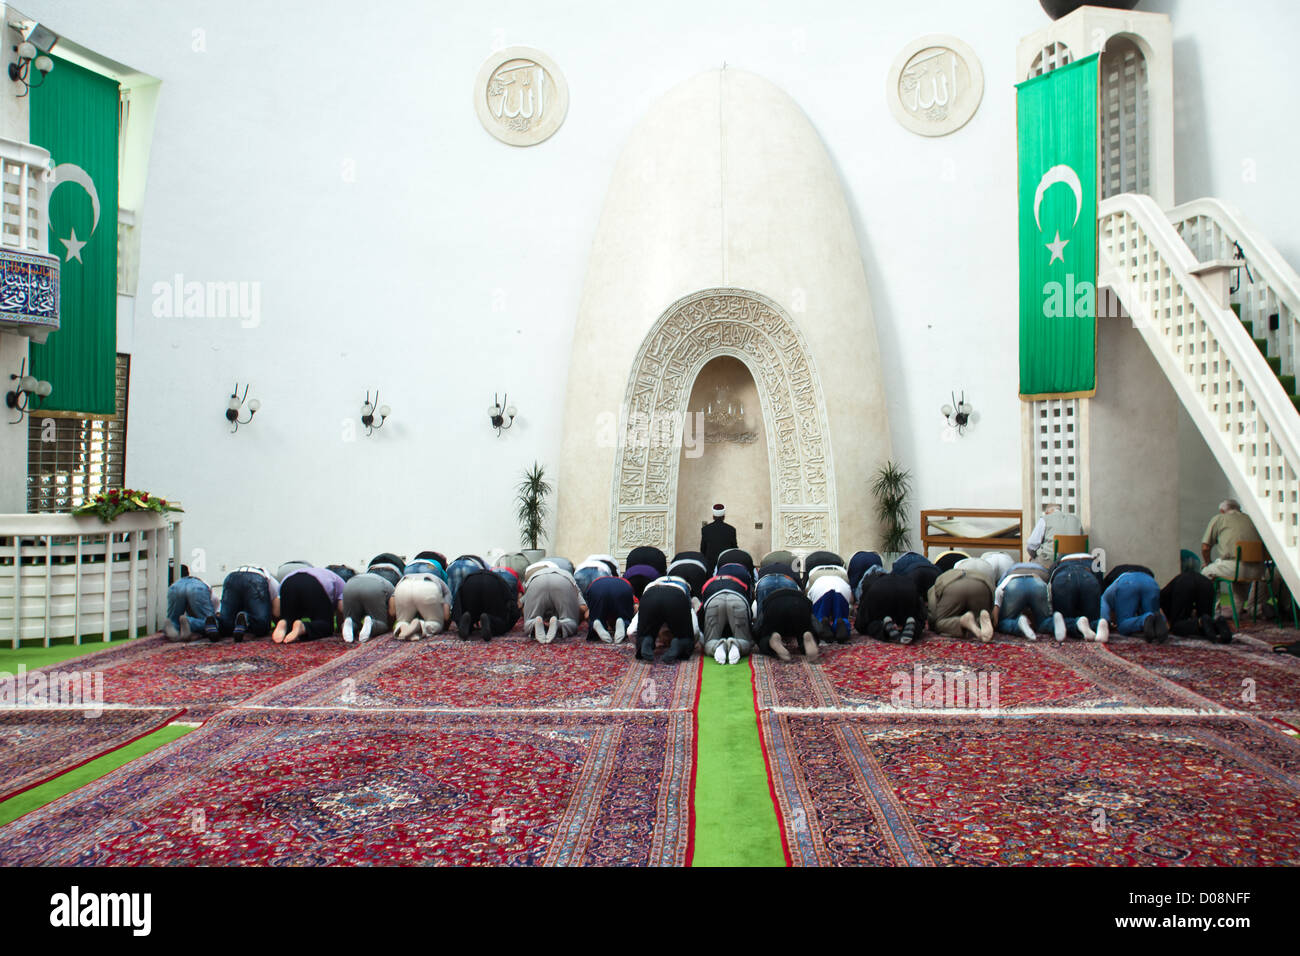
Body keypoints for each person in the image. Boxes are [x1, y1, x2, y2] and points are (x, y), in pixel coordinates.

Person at [1200, 499, 1267, 617]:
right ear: (1239, 510)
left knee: (1206, 572)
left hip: (1236, 567)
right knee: (1237, 577)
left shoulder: (1219, 518)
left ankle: (1214, 613)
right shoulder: (1251, 519)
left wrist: (1208, 563)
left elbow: (1205, 547)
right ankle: (1236, 610)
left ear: (1222, 511)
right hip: (1260, 570)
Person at [629, 574, 699, 664]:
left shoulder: (651, 586)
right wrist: (691, 640)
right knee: (684, 635)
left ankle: (646, 640)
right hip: (676, 596)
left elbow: (631, 632)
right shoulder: (686, 588)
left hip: (650, 597)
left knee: (645, 632)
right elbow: (695, 629)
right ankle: (680, 643)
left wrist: (640, 638)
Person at [753, 575, 818, 662]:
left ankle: (771, 640)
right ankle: (806, 636)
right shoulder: (792, 580)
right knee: (805, 629)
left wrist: (759, 636)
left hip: (773, 605)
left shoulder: (762, 583)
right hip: (799, 602)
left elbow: (758, 626)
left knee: (765, 635)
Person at [274, 565, 346, 643]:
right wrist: (339, 627)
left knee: (290, 618)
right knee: (325, 625)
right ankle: (304, 627)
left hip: (288, 582)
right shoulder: (342, 583)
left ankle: (285, 623)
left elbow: (277, 607)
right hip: (314, 584)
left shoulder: (322, 572)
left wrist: (282, 616)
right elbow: (341, 608)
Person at [1049, 554, 1109, 642]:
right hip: (1088, 577)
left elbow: (1050, 583)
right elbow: (1100, 587)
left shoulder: (1058, 563)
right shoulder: (1095, 562)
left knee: (1063, 620)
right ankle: (1098, 624)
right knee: (1092, 619)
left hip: (1063, 579)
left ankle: (1076, 624)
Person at [699, 570, 753, 665]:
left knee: (709, 641)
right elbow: (749, 614)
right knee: (745, 641)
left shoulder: (707, 585)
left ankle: (718, 646)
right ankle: (736, 644)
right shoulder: (740, 584)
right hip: (737, 599)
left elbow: (701, 614)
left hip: (714, 601)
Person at [926, 566, 994, 641]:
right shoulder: (978, 573)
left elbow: (932, 612)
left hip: (953, 588)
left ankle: (962, 621)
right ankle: (979, 622)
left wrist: (933, 623)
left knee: (939, 623)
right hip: (982, 585)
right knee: (979, 614)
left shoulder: (941, 579)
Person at [1162, 570, 1232, 642]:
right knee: (1207, 623)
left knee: (1177, 626)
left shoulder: (1163, 596)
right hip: (1206, 583)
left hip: (1184, 584)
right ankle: (1218, 623)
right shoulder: (1170, 586)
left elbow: (1167, 615)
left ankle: (1201, 621)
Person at [340, 558, 399, 644]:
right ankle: (372, 624)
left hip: (350, 585)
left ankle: (349, 623)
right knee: (381, 624)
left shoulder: (367, 575)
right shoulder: (390, 586)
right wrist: (389, 626)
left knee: (353, 619)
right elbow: (392, 611)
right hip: (374, 589)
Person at [522, 562, 584, 644]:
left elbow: (520, 605)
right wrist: (574, 619)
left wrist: (528, 615)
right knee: (570, 621)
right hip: (563, 582)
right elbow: (583, 608)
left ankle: (534, 622)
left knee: (529, 621)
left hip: (536, 581)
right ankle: (559, 624)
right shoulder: (565, 574)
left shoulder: (533, 575)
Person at [993, 567, 1059, 642]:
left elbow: (996, 607)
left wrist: (996, 624)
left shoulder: (1004, 580)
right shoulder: (1036, 570)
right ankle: (1053, 623)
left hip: (1014, 586)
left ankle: (1017, 625)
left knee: (1003, 622)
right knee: (1043, 621)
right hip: (1037, 582)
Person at [1100, 569, 1169, 641]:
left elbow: (1103, 619)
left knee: (1123, 626)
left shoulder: (1105, 597)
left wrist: (1108, 622)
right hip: (1150, 582)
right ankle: (1160, 624)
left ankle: (1144, 619)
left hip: (1128, 583)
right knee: (1154, 619)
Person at [215, 564, 279, 641]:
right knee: (262, 625)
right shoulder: (273, 581)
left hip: (232, 577)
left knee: (226, 624)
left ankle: (215, 623)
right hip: (255, 579)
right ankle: (246, 619)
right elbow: (276, 612)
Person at [453, 567, 519, 641]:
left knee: (470, 613)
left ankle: (468, 623)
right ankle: (490, 621)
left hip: (470, 583)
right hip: (493, 585)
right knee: (500, 620)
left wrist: (458, 620)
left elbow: (457, 603)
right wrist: (509, 623)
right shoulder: (500, 580)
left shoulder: (471, 576)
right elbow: (512, 604)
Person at [856, 571, 922, 644]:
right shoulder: (905, 579)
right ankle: (912, 627)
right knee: (917, 620)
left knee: (868, 624)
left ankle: (884, 628)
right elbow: (921, 613)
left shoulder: (872, 581)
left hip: (880, 591)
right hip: (908, 589)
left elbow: (861, 622)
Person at [393, 568, 452, 641]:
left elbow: (393, 609)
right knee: (435, 623)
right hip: (428, 587)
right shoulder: (443, 584)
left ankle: (403, 626)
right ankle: (422, 625)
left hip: (403, 585)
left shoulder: (407, 576)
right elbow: (446, 616)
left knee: (403, 620)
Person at [164, 566, 218, 642]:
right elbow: (215, 601)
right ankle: (190, 623)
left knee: (174, 619)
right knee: (211, 623)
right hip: (197, 588)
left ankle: (173, 626)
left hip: (176, 587)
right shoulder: (203, 582)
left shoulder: (176, 583)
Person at [1026, 502, 1084, 566]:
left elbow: (1032, 544)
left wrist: (1034, 556)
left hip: (1051, 561)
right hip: (1074, 560)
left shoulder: (1045, 519)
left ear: (1047, 512)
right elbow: (1083, 542)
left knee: (1031, 564)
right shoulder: (1076, 520)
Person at [584, 572, 635, 643]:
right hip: (623, 589)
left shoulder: (596, 581)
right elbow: (635, 607)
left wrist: (592, 618)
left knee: (596, 617)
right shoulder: (623, 581)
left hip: (596, 589)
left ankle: (597, 623)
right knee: (626, 617)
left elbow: (587, 614)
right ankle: (623, 622)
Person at [807, 565, 853, 642]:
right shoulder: (842, 572)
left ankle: (822, 622)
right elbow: (852, 599)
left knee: (819, 615)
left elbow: (808, 599)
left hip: (819, 588)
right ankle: (841, 621)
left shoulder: (813, 574)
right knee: (841, 615)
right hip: (842, 587)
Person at [700, 504, 738, 571]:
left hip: (710, 564)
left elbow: (703, 549)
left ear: (713, 517)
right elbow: (734, 548)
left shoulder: (705, 529)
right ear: (724, 517)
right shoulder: (731, 529)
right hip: (726, 563)